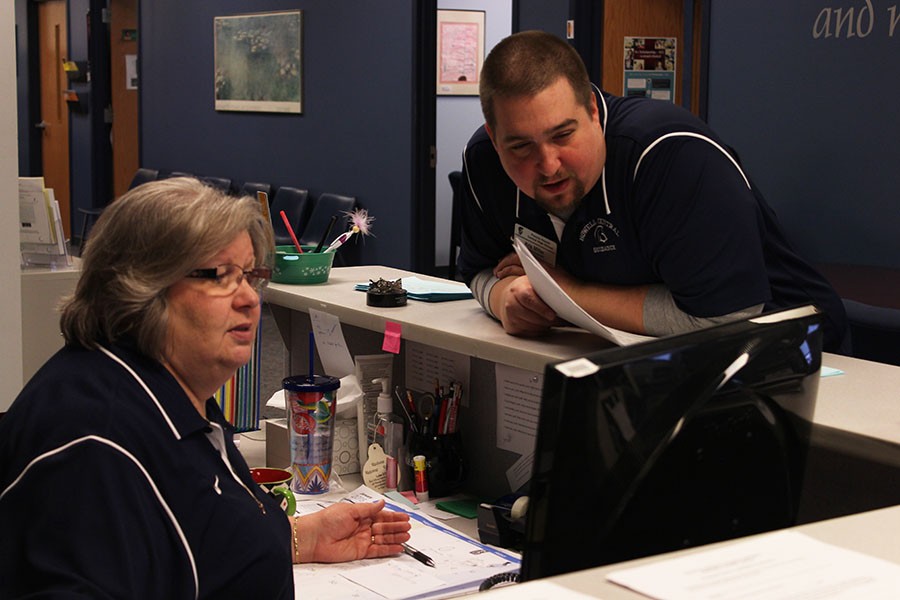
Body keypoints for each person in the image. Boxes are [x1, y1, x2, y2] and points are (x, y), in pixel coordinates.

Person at [0, 178, 410, 598]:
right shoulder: (92, 442)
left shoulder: (170, 392)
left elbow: (193, 527)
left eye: (251, 276)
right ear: (142, 286)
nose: (250, 298)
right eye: (221, 277)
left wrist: (299, 537)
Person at [457, 31, 848, 353]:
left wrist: (565, 294)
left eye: (563, 134)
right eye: (521, 147)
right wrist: (505, 299)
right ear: (494, 138)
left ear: (593, 110)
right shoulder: (482, 161)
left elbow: (720, 316)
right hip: (641, 360)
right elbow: (477, 269)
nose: (549, 164)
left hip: (792, 352)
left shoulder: (669, 154)